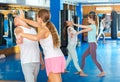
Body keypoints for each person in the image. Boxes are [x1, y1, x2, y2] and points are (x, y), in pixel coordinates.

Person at [18, 9, 66, 82]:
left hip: (53, 58)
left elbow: (36, 37)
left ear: (39, 18)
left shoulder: (44, 30)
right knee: (50, 80)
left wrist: (21, 34)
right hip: (55, 57)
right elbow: (34, 23)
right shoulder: (46, 26)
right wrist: (23, 19)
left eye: (37, 17)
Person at [14, 17, 45, 82]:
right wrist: (19, 40)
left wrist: (41, 61)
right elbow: (18, 34)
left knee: (34, 80)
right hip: (26, 61)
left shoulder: (33, 30)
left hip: (36, 61)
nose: (14, 20)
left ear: (21, 18)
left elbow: (37, 46)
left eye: (15, 18)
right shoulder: (18, 28)